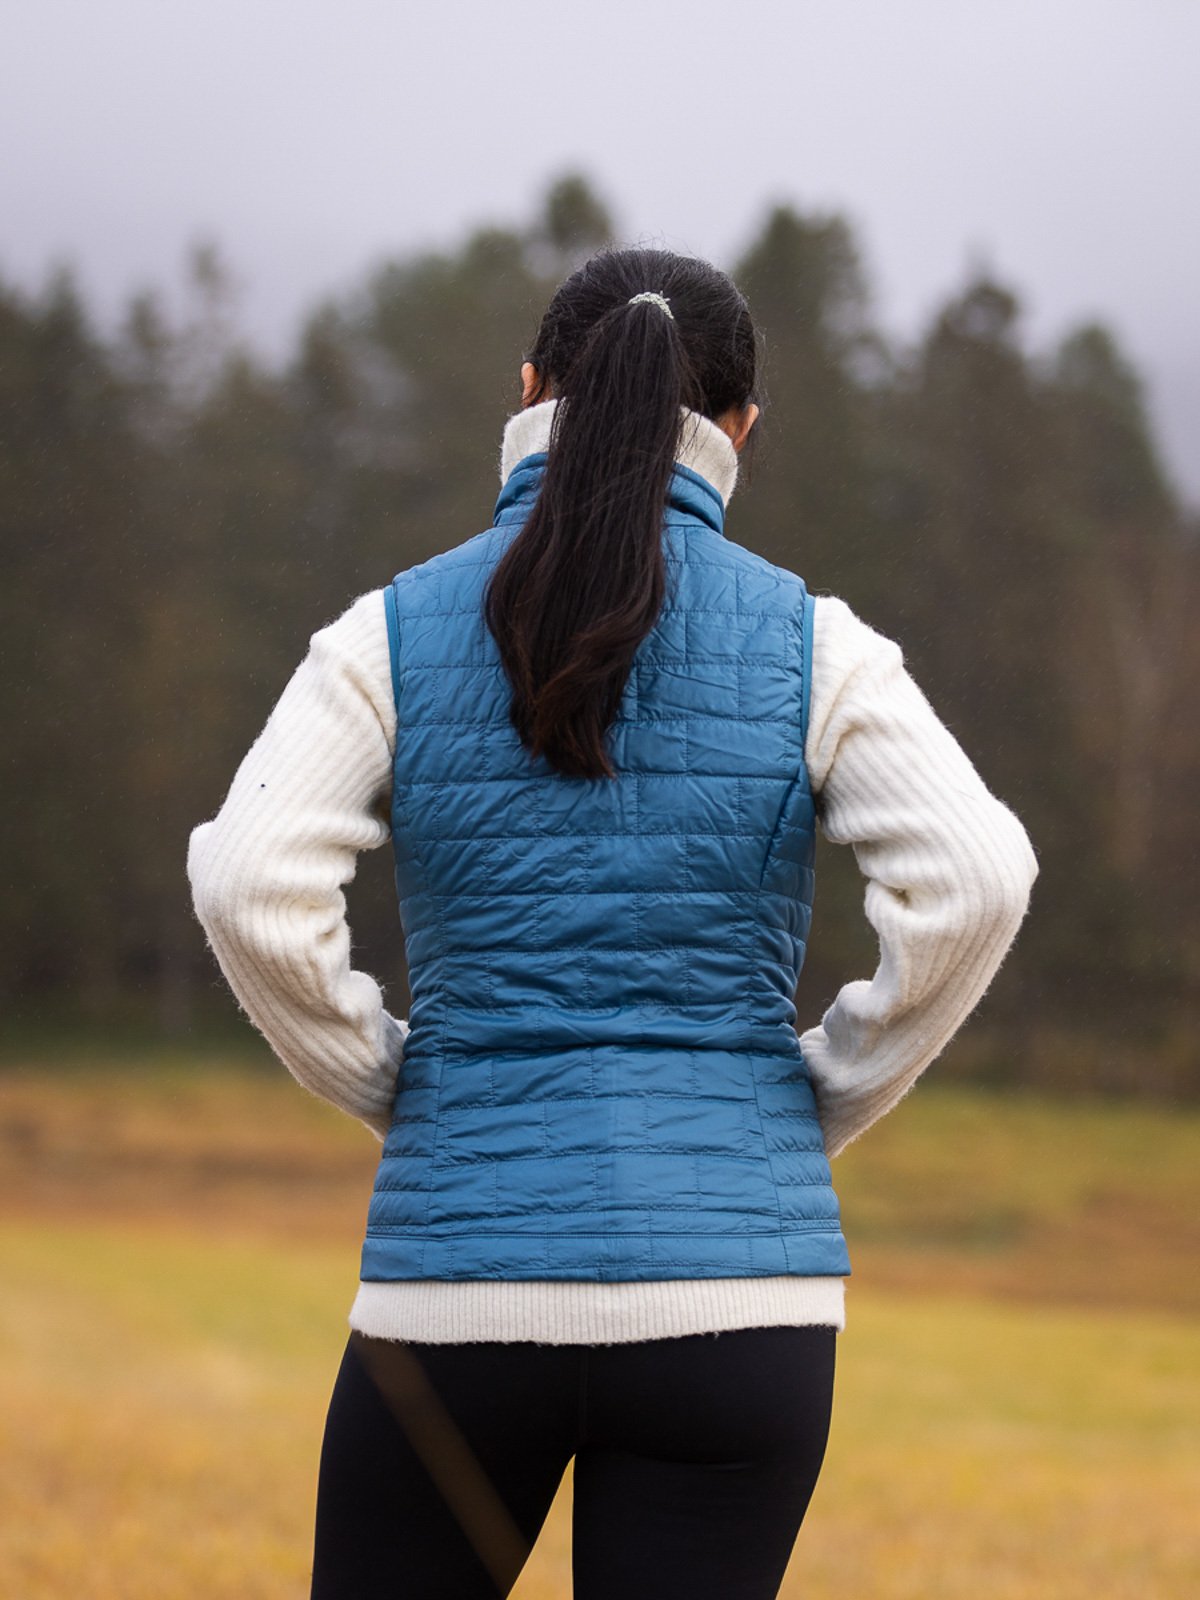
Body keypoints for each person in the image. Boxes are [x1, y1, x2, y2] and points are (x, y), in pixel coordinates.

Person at [187, 246, 1038, 1599]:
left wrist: (396, 1084)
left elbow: (248, 883)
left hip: (457, 1287)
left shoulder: (384, 635)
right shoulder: (821, 646)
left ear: (527, 392)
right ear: (742, 428)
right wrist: (811, 1099)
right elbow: (980, 875)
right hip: (740, 1308)